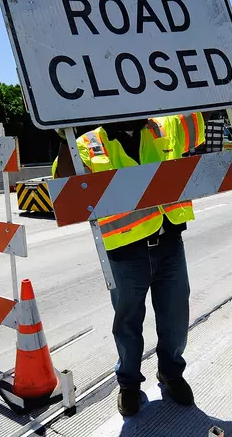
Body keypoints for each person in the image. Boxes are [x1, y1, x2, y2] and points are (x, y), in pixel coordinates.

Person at [56, 113, 206, 416]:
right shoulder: (88, 143)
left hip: (169, 244)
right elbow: (65, 185)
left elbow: (198, 115)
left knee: (176, 318)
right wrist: (62, 133)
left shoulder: (166, 126)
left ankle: (171, 374)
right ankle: (128, 385)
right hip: (124, 252)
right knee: (126, 324)